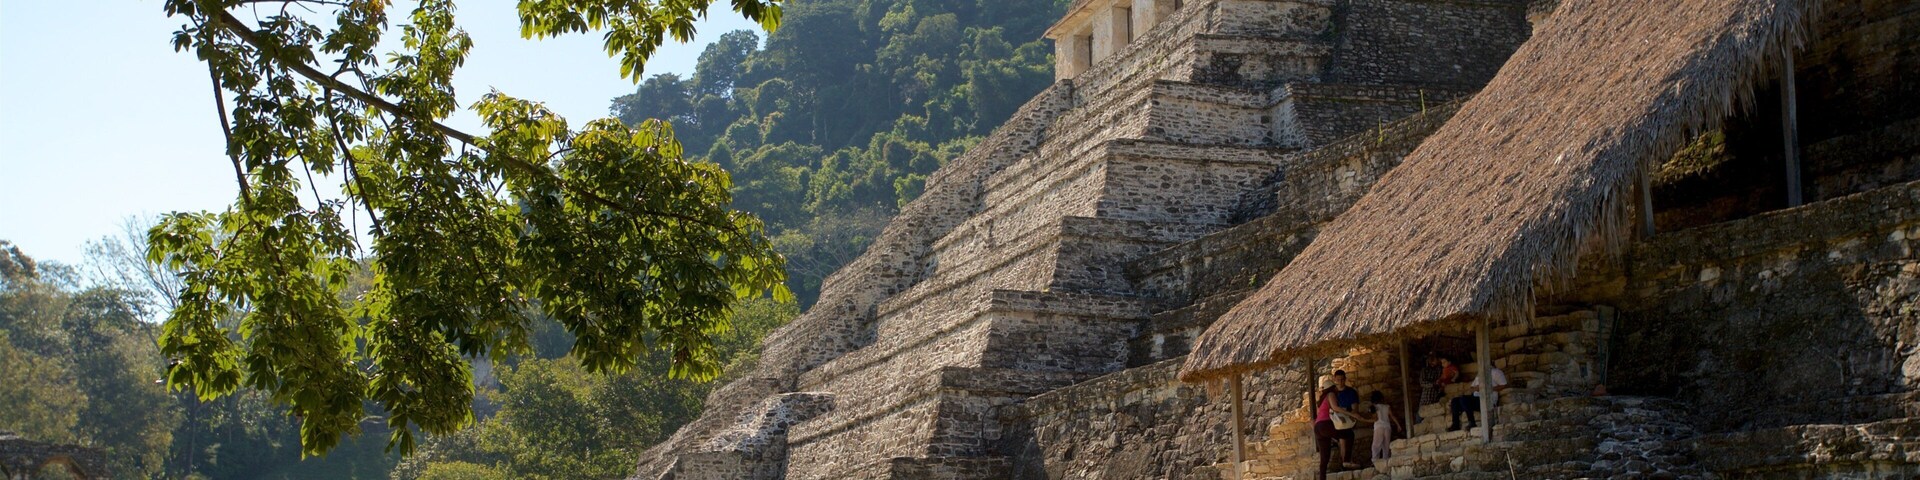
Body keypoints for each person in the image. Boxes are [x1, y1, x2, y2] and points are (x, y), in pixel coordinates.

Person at [1448, 363, 1508, 432]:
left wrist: (1487, 388)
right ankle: (1455, 425)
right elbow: (1472, 388)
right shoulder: (1480, 374)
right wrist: (1476, 388)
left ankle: (1472, 422)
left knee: (1464, 399)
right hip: (1476, 398)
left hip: (1487, 400)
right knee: (1455, 400)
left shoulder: (1496, 372)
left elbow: (1504, 385)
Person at [1329, 370, 1362, 469]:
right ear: (1334, 379)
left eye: (1342, 380)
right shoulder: (1332, 393)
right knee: (1344, 440)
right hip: (1334, 421)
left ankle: (1345, 462)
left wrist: (1350, 414)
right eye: (1338, 380)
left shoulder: (1351, 392)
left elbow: (1355, 408)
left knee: (1345, 440)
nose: (1340, 382)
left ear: (1345, 379)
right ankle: (1345, 462)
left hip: (1347, 420)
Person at [1369, 391, 1403, 463]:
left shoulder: (1374, 407)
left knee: (1376, 445)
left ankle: (1375, 461)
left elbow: (1374, 418)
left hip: (1378, 427)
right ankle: (1386, 461)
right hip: (1387, 427)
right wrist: (1398, 425)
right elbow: (1392, 416)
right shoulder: (1387, 406)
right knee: (1386, 446)